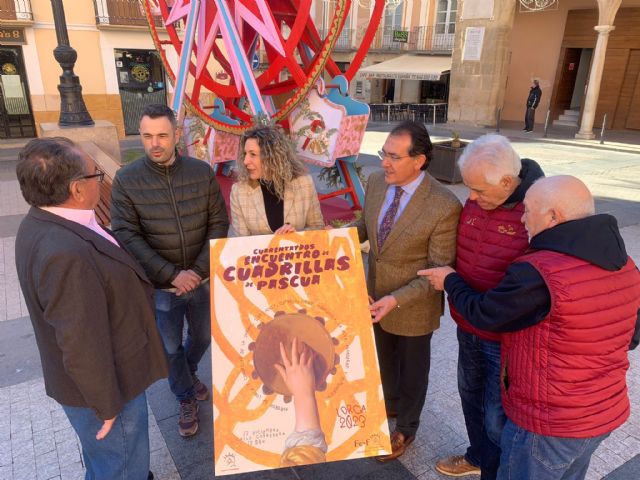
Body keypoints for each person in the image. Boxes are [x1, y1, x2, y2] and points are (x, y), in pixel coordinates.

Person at [420, 176, 640, 480]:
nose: (522, 218)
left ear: (553, 216)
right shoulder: (626, 264)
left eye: (528, 210)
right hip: (603, 414)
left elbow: (485, 314)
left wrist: (450, 280)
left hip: (547, 425)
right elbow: (632, 336)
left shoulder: (540, 272)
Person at [15, 137, 168, 480]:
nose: (100, 179)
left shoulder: (47, 220)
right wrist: (107, 406)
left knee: (107, 462)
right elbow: (80, 341)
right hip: (106, 391)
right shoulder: (65, 254)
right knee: (122, 465)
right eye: (95, 174)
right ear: (77, 189)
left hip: (97, 383)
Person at [111, 104, 229, 437]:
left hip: (201, 279)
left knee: (203, 337)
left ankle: (187, 372)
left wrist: (197, 270)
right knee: (170, 346)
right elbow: (125, 234)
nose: (155, 144)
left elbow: (219, 221)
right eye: (147, 136)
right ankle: (185, 396)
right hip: (162, 287)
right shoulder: (127, 179)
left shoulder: (200, 172)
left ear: (177, 135)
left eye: (162, 135)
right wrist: (172, 274)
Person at [434, 134, 544, 479]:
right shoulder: (480, 198)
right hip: (467, 323)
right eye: (469, 189)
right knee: (470, 396)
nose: (471, 197)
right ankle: (478, 456)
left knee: (497, 415)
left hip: (505, 338)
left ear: (508, 182)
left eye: (479, 190)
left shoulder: (538, 211)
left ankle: (495, 471)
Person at [353, 120, 461, 462]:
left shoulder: (444, 205)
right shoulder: (374, 182)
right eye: (384, 153)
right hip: (374, 296)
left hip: (413, 306)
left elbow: (436, 271)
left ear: (420, 160)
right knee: (382, 359)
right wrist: (324, 242)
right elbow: (362, 228)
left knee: (413, 371)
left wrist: (396, 299)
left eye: (394, 157)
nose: (384, 162)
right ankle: (387, 407)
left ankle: (407, 427)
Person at [228, 124, 324, 237]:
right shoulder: (239, 192)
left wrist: (297, 236)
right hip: (259, 255)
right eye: (245, 154)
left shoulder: (304, 183)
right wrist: (273, 244)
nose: (245, 161)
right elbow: (241, 243)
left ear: (272, 157)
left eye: (253, 154)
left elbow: (317, 227)